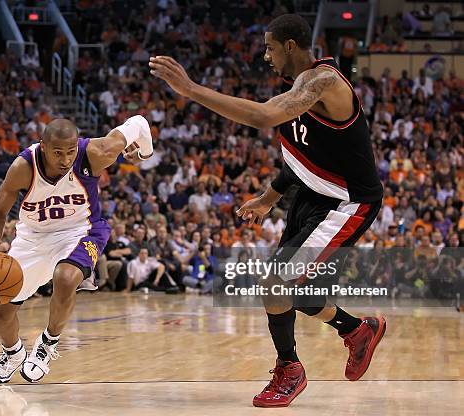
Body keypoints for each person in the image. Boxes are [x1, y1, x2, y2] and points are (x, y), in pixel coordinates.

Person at [150, 14, 386, 408]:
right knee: (295, 290)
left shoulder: (322, 81)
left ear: (290, 46)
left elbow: (262, 116)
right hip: (311, 197)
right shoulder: (295, 85)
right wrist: (269, 197)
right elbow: (301, 156)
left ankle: (289, 369)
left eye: (270, 48)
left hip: (349, 202)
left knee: (276, 283)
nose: (265, 56)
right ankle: (357, 330)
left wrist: (190, 90)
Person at [0, 117, 151, 384]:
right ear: (43, 146)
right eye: (58, 152)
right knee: (0, 313)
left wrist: (144, 152)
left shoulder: (96, 153)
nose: (65, 159)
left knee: (65, 278)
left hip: (80, 230)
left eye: (71, 151)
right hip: (33, 238)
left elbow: (139, 123)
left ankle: (48, 344)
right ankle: (13, 353)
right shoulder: (23, 167)